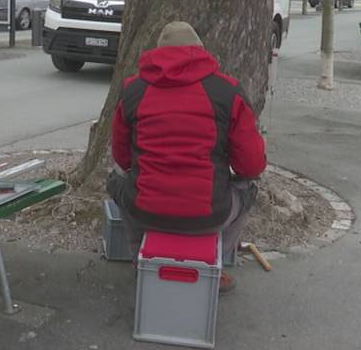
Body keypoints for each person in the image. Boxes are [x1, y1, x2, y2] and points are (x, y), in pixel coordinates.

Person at [106, 21, 265, 293]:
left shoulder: (133, 90)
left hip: (145, 212)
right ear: (201, 52)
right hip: (210, 215)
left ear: (156, 54)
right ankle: (215, 266)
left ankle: (140, 261)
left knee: (117, 183)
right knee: (247, 190)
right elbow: (250, 165)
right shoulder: (228, 91)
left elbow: (122, 158)